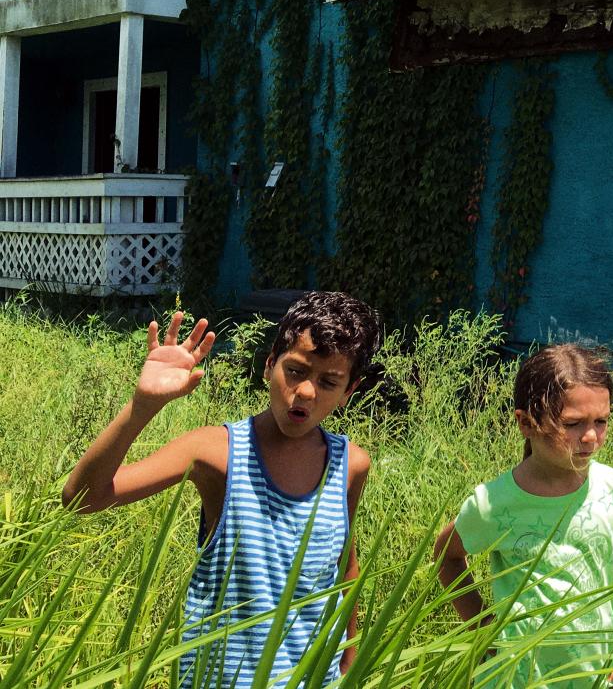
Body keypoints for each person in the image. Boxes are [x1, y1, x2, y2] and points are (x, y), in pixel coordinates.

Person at [62, 292, 381, 688]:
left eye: (328, 382)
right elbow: (83, 498)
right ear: (269, 365)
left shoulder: (350, 465)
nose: (306, 392)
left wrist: (349, 665)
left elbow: (343, 567)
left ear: (349, 392)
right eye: (295, 371)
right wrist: (142, 406)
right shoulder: (217, 452)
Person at [434, 344, 613, 687]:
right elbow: (447, 556)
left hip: (596, 678)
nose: (590, 437)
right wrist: (482, 629)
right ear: (526, 423)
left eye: (601, 421)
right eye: (572, 424)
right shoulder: (493, 503)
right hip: (515, 679)